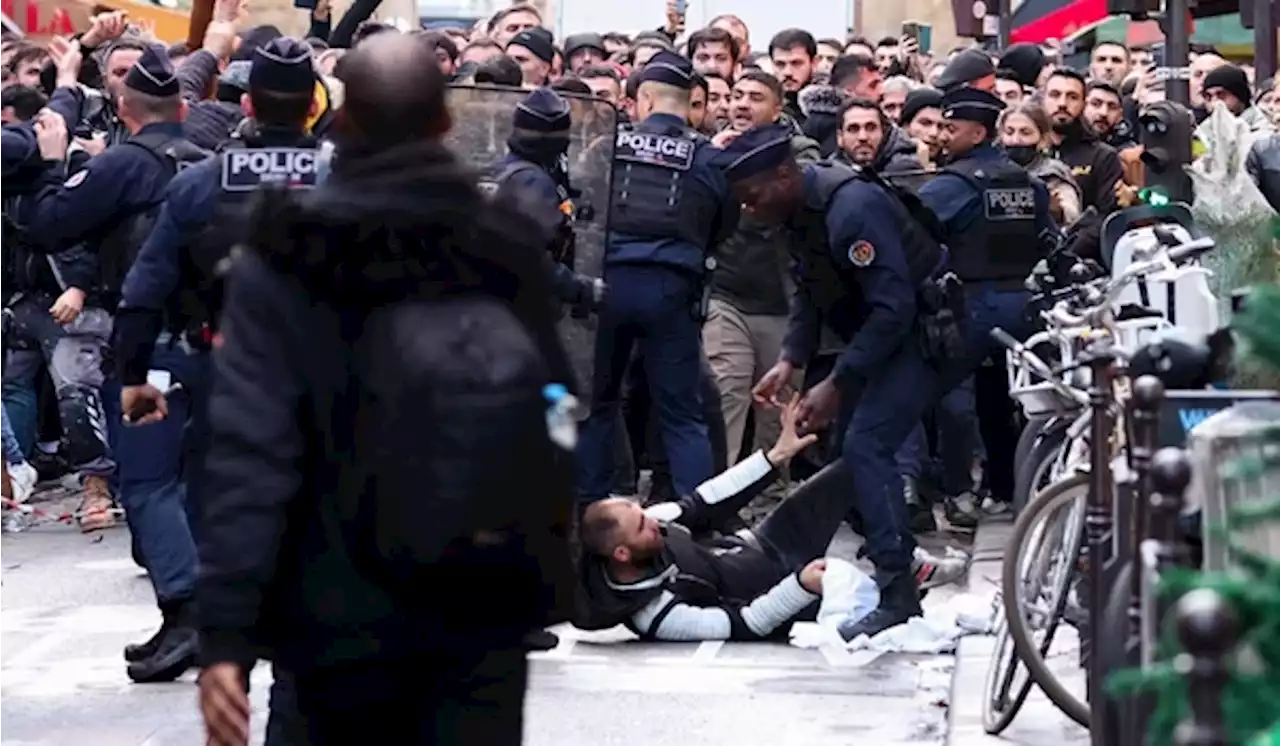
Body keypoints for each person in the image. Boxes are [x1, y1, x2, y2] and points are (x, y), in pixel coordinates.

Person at [196, 33, 573, 746]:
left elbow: (252, 450)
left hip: (333, 611)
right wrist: (545, 567)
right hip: (480, 604)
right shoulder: (502, 243)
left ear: (341, 118)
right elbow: (558, 409)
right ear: (444, 123)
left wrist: (226, 635)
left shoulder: (289, 251)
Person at [114, 41, 319, 735]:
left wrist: (134, 381)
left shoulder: (201, 183)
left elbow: (143, 297)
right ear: (315, 102)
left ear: (250, 104)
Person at [719, 123, 951, 641]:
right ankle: (902, 566)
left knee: (868, 448)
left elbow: (895, 309)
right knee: (850, 452)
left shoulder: (851, 208)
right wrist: (790, 359)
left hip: (922, 334)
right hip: (884, 335)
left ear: (784, 175)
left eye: (753, 197)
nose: (748, 209)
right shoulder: (800, 212)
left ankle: (897, 592)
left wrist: (837, 384)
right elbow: (809, 288)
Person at [18, 42, 208, 532]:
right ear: (183, 109)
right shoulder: (213, 163)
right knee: (197, 468)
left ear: (124, 106)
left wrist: (52, 164)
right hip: (214, 343)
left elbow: (48, 226)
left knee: (148, 477)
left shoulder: (120, 164)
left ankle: (183, 586)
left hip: (149, 346)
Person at [575, 50, 736, 503]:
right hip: (672, 290)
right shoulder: (708, 158)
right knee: (682, 415)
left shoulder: (607, 146)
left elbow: (583, 214)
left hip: (606, 287)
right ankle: (695, 523)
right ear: (689, 103)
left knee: (598, 405)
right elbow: (724, 226)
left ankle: (592, 512)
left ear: (643, 99)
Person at [917, 87, 1057, 521]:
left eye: (950, 128)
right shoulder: (1028, 182)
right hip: (1021, 304)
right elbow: (1048, 239)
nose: (942, 135)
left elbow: (913, 233)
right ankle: (1007, 488)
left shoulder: (951, 184)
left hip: (968, 303)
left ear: (977, 133)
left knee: (954, 399)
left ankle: (958, 491)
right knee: (1006, 402)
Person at [485, 86, 603, 319]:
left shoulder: (498, 171)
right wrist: (579, 289)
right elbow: (526, 257)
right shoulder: (533, 183)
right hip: (519, 313)